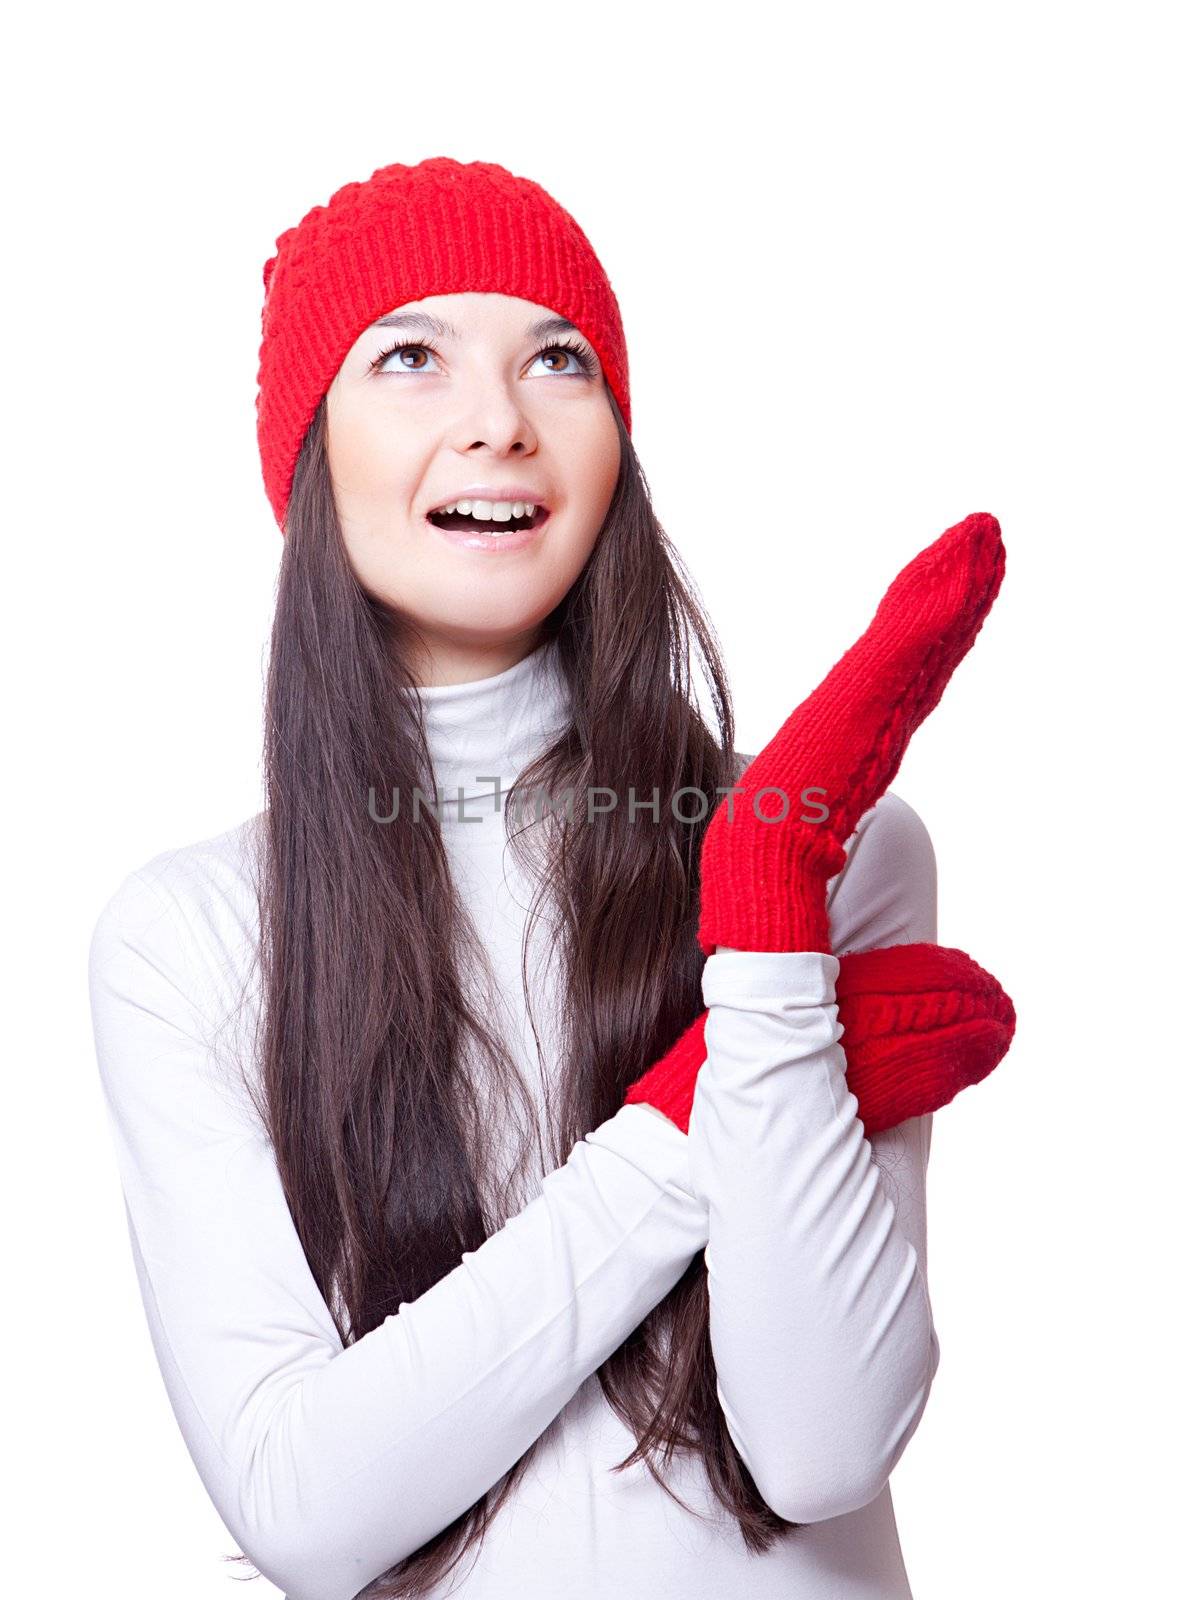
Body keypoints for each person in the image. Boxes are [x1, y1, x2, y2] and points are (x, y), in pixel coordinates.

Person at [88, 156, 1006, 1600]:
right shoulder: (193, 935)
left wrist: (765, 909)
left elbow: (824, 1447)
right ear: (309, 453)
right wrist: (695, 1110)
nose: (497, 422)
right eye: (410, 358)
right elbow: (306, 1511)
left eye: (556, 361)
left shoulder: (836, 850)